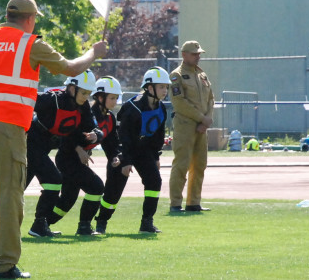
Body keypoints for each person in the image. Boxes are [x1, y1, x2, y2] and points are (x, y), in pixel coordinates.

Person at [0, 0, 107, 280]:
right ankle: (6, 264)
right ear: (29, 18)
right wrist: (93, 52)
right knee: (11, 196)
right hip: (9, 128)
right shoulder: (30, 43)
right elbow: (72, 68)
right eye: (35, 18)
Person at [94, 67, 170, 234]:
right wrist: (126, 161)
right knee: (113, 192)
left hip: (144, 152)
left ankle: (147, 223)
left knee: (154, 181)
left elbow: (158, 135)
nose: (165, 90)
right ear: (150, 88)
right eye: (161, 87)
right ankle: (101, 222)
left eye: (166, 87)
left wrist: (156, 155)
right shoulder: (133, 108)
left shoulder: (161, 108)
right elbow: (124, 137)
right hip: (124, 151)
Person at [25, 71, 100, 238]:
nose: (86, 97)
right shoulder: (53, 99)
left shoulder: (83, 106)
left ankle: (37, 224)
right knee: (53, 179)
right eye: (84, 92)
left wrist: (96, 134)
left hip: (43, 148)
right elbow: (24, 101)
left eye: (89, 93)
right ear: (72, 88)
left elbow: (93, 127)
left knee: (18, 187)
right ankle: (38, 225)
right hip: (31, 144)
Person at [168, 40, 214, 213]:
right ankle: (175, 203)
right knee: (182, 164)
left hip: (202, 127)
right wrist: (201, 118)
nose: (198, 57)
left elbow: (211, 98)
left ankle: (193, 202)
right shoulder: (176, 76)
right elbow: (179, 103)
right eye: (194, 54)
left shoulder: (202, 75)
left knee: (200, 164)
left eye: (199, 54)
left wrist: (207, 119)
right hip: (185, 126)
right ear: (184, 55)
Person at [85, 76, 124, 234]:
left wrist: (116, 157)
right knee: (68, 195)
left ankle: (99, 221)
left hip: (82, 158)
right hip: (70, 158)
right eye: (112, 98)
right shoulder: (87, 113)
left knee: (115, 177)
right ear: (100, 97)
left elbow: (112, 144)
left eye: (116, 98)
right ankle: (44, 223)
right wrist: (80, 151)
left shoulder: (110, 118)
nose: (115, 102)